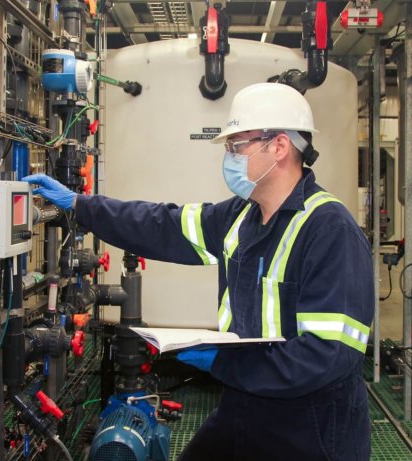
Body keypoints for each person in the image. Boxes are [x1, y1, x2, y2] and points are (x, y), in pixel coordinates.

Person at [24, 82, 374, 461]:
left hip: (311, 428)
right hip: (246, 405)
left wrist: (224, 361)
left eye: (237, 145)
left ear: (279, 146)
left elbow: (327, 355)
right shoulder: (241, 216)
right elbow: (160, 225)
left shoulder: (329, 230)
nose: (230, 157)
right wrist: (81, 204)